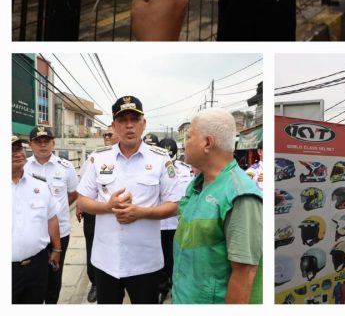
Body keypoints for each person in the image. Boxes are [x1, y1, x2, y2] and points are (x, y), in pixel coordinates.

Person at [76, 95, 181, 304]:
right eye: (123, 120)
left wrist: (141, 212)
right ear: (114, 126)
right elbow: (82, 200)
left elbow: (174, 205)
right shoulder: (98, 158)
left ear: (144, 123)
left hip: (145, 262)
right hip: (106, 261)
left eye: (134, 119)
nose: (129, 125)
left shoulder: (161, 159)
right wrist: (107, 207)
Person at [172, 109, 263, 304]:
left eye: (189, 137)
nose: (184, 144)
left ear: (207, 143)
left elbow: (244, 274)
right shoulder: (197, 185)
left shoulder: (240, 196)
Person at [24, 125, 78, 304]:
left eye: (46, 141)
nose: (42, 145)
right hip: (32, 233)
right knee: (34, 278)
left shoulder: (66, 167)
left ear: (53, 143)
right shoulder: (23, 167)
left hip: (60, 232)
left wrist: (54, 212)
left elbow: (73, 193)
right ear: (30, 144)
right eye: (38, 141)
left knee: (55, 275)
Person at [12, 134, 61, 304]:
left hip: (37, 265)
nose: (18, 153)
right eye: (11, 150)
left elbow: (51, 218)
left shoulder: (40, 185)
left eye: (19, 148)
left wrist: (57, 250)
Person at [77, 126, 118, 302]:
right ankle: (95, 282)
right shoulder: (95, 157)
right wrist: (79, 206)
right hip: (94, 212)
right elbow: (83, 183)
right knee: (92, 247)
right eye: (105, 135)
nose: (106, 137)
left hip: (118, 214)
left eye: (110, 134)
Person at [156, 137, 193, 304]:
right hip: (158, 222)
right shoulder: (153, 168)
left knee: (177, 258)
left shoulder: (186, 170)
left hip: (177, 223)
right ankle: (162, 288)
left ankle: (176, 286)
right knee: (161, 258)